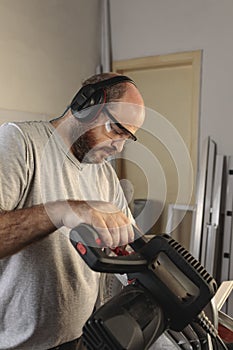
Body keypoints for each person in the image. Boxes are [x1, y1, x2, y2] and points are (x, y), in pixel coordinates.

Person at [0, 72, 145, 350]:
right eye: (116, 130)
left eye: (128, 138)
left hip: (76, 340)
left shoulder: (104, 175)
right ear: (86, 106)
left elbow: (129, 246)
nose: (119, 147)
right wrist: (64, 210)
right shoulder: (19, 142)